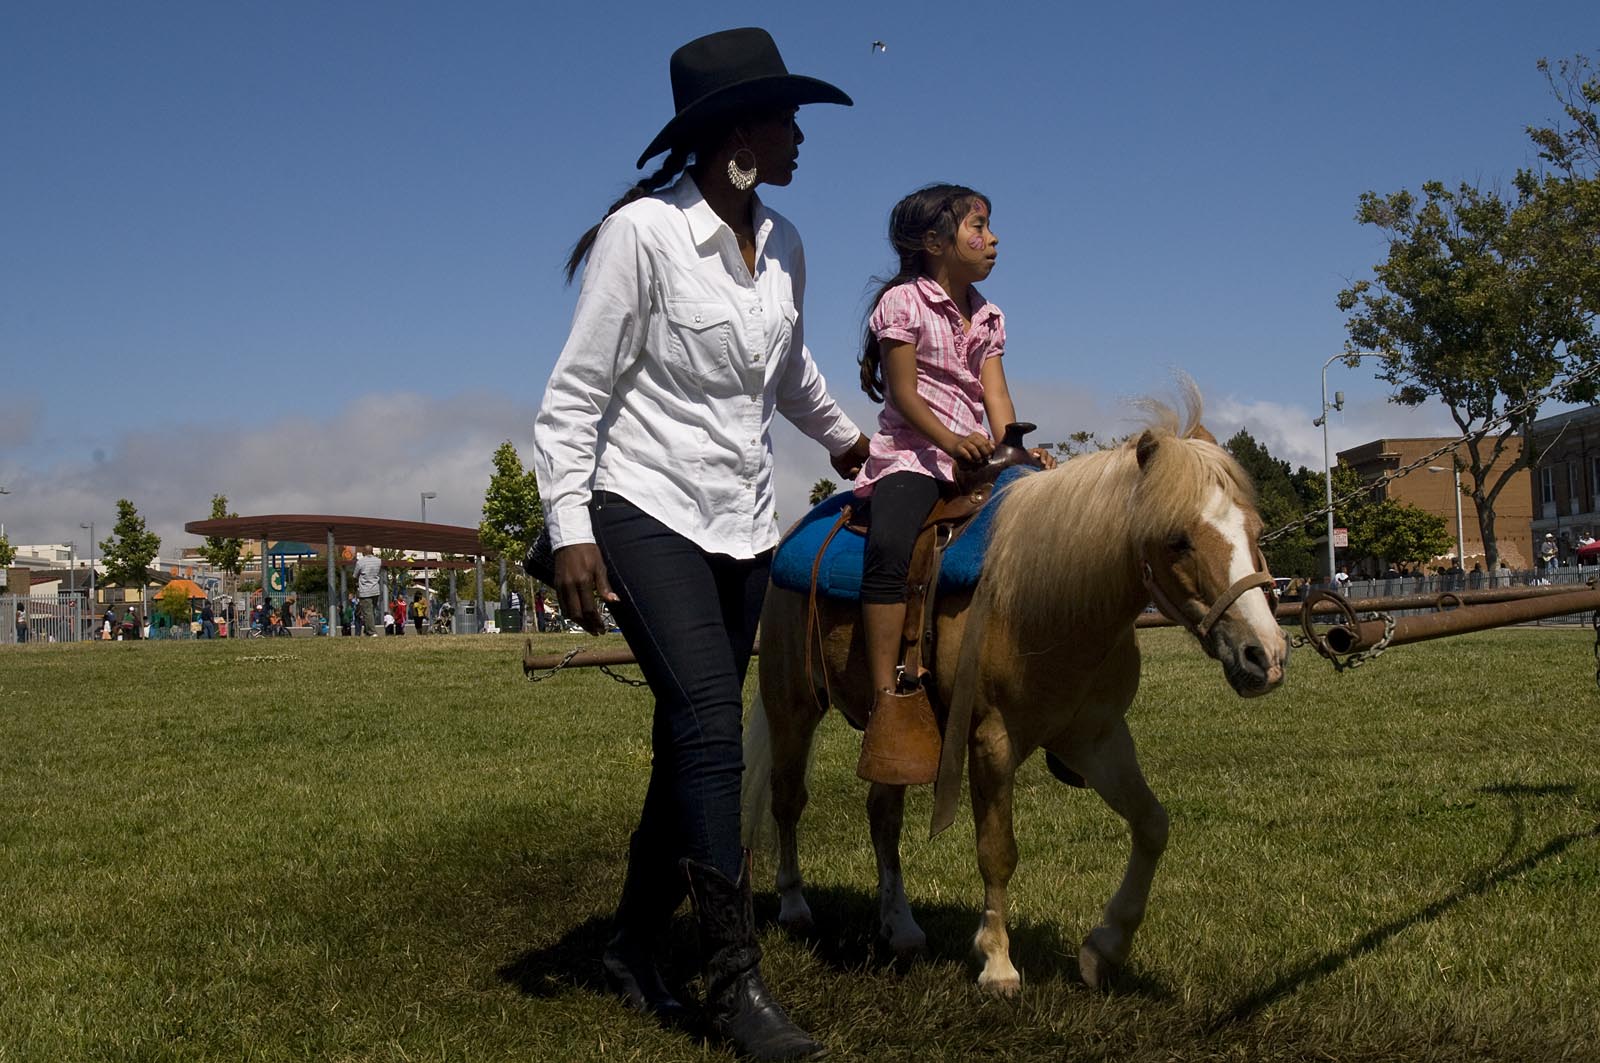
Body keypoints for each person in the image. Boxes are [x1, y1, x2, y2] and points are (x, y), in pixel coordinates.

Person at [532, 26, 868, 1060]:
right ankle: (733, 985)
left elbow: (789, 373)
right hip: (640, 509)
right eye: (783, 116)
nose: (800, 133)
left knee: (689, 740)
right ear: (734, 134)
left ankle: (632, 945)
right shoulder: (644, 237)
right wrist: (570, 527)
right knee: (716, 736)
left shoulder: (787, 246)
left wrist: (859, 443)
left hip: (741, 522)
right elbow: (574, 394)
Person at [851, 183, 1056, 785]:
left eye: (989, 227)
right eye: (978, 226)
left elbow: (994, 393)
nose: (991, 238)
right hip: (915, 455)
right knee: (889, 547)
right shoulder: (904, 305)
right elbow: (904, 395)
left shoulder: (988, 314)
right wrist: (947, 441)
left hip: (973, 456)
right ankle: (887, 694)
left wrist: (1011, 447)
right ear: (935, 242)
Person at [353, 547, 382, 637]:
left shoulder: (360, 562)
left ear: (364, 552)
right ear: (372, 551)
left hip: (365, 590)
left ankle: (372, 632)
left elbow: (355, 575)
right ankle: (367, 630)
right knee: (372, 611)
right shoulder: (378, 561)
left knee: (367, 612)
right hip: (375, 589)